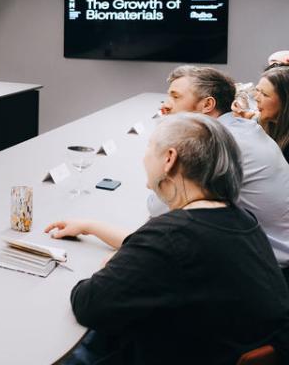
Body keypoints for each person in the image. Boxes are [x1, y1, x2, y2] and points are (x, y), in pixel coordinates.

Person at [46, 113, 289, 365]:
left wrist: (108, 266)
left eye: (149, 148)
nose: (144, 157)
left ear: (169, 159)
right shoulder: (242, 220)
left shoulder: (172, 236)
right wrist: (92, 226)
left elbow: (89, 304)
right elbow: (165, 249)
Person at [153, 65, 289, 279]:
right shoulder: (242, 128)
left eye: (175, 97)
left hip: (270, 269)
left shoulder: (217, 144)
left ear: (208, 105)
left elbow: (161, 208)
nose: (165, 105)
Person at [257, 65, 289, 159]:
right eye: (257, 91)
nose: (256, 98)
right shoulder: (259, 126)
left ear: (285, 102)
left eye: (264, 94)